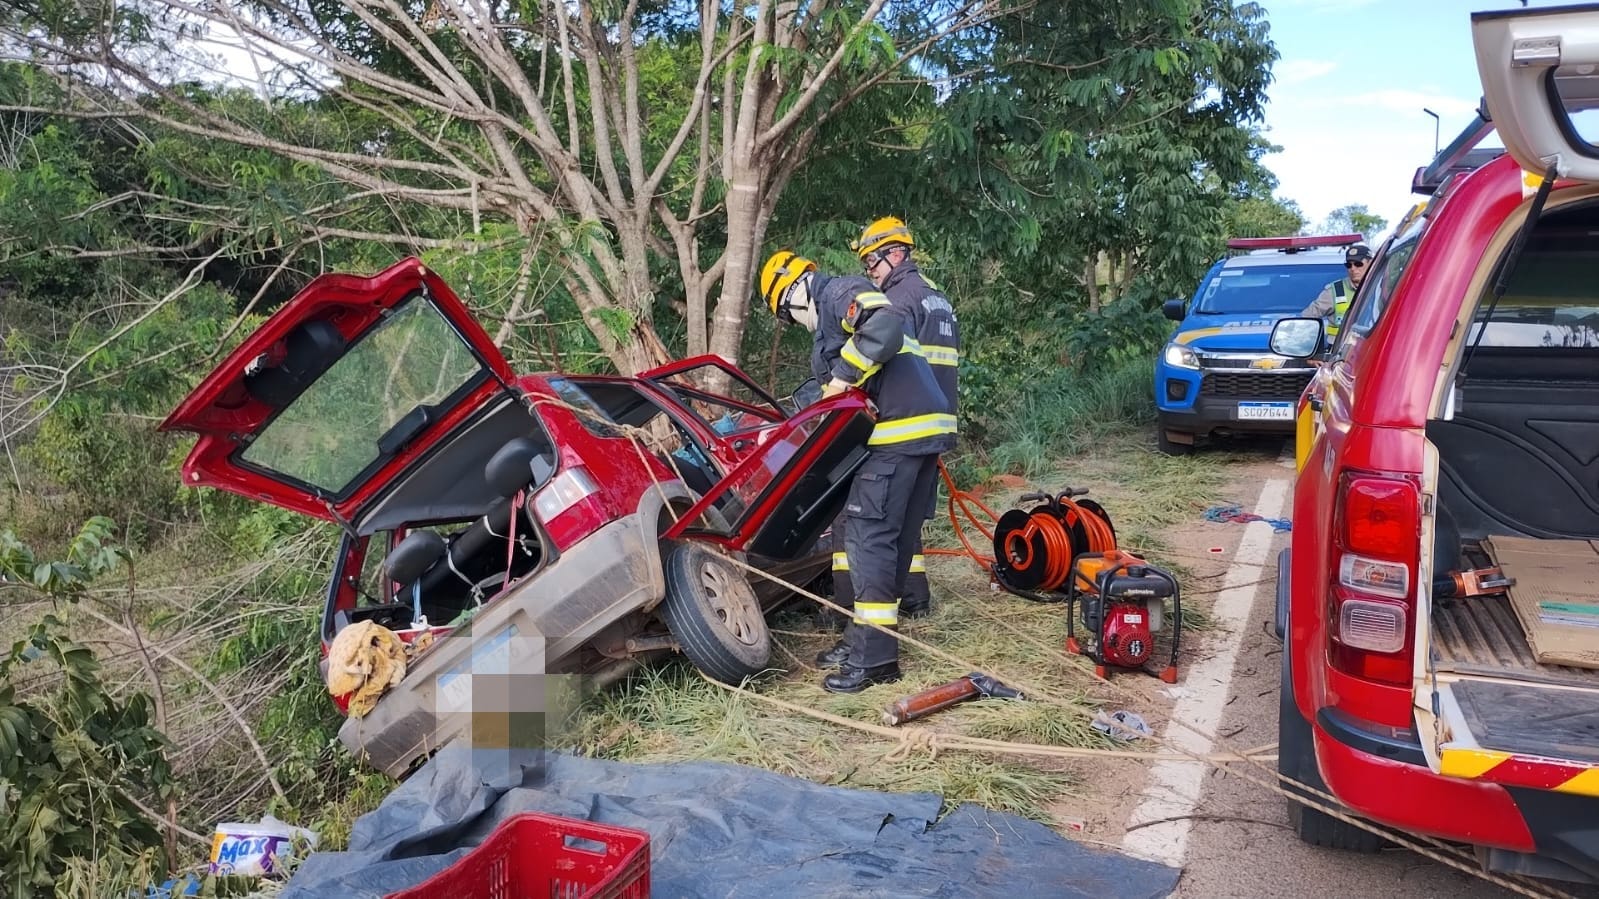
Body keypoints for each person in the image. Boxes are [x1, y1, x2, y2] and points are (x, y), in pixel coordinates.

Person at [759, 250, 957, 693]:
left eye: (786, 315)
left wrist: (842, 378)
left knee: (868, 540)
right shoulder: (836, 306)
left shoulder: (838, 292)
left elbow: (882, 328)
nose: (792, 324)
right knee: (895, 540)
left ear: (791, 292)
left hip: (897, 433)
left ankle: (875, 661)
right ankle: (863, 643)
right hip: (919, 432)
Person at [825, 216, 961, 620]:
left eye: (872, 264)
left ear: (896, 254)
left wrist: (841, 384)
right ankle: (915, 597)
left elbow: (881, 353)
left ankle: (872, 613)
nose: (870, 274)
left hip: (903, 422)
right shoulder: (938, 298)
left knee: (882, 523)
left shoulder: (898, 301)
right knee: (908, 518)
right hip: (937, 422)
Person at [1301, 243, 1373, 341]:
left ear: (1371, 263)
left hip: (1370, 347)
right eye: (1348, 265)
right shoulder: (1335, 290)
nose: (1352, 268)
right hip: (1338, 350)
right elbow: (1306, 318)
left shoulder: (1380, 286)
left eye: (1358, 264)